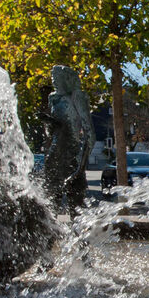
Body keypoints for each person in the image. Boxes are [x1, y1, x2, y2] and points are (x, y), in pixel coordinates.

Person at [41, 65, 94, 214]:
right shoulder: (53, 98)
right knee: (51, 202)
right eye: (53, 79)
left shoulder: (76, 96)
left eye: (57, 78)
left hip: (72, 155)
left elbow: (90, 135)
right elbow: (51, 132)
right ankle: (54, 235)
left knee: (75, 204)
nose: (54, 81)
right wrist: (50, 123)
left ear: (66, 80)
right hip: (55, 155)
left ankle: (79, 234)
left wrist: (80, 168)